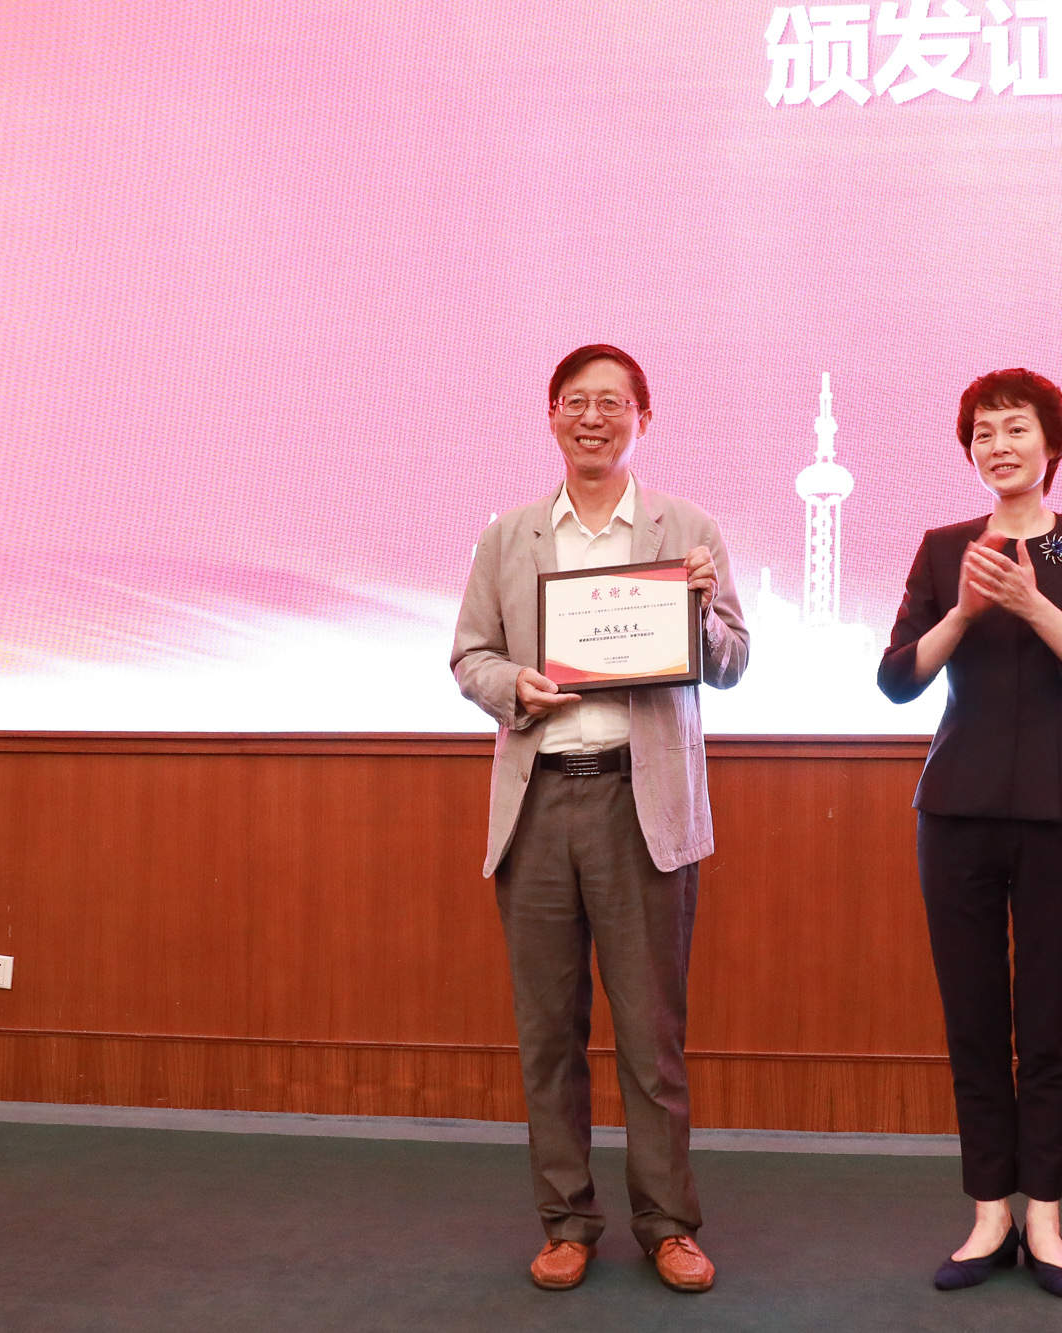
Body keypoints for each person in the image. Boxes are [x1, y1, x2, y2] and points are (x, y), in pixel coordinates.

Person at [451, 344, 748, 1294]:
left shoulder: (685, 529)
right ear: (551, 414)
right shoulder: (509, 536)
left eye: (611, 403)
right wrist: (514, 686)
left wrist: (697, 611)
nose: (592, 418)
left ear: (641, 419)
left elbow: (732, 662)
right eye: (575, 402)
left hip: (640, 804)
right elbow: (469, 656)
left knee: (651, 1036)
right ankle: (566, 1221)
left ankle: (667, 1224)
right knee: (549, 1033)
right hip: (539, 800)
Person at [876, 368, 1062, 1300]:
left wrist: (1030, 603)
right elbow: (896, 680)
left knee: (1049, 1029)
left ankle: (1046, 1219)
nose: (998, 445)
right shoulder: (947, 548)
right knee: (975, 1025)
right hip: (956, 814)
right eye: (982, 432)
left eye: (1015, 428)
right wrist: (965, 610)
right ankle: (989, 1214)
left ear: (1051, 443)